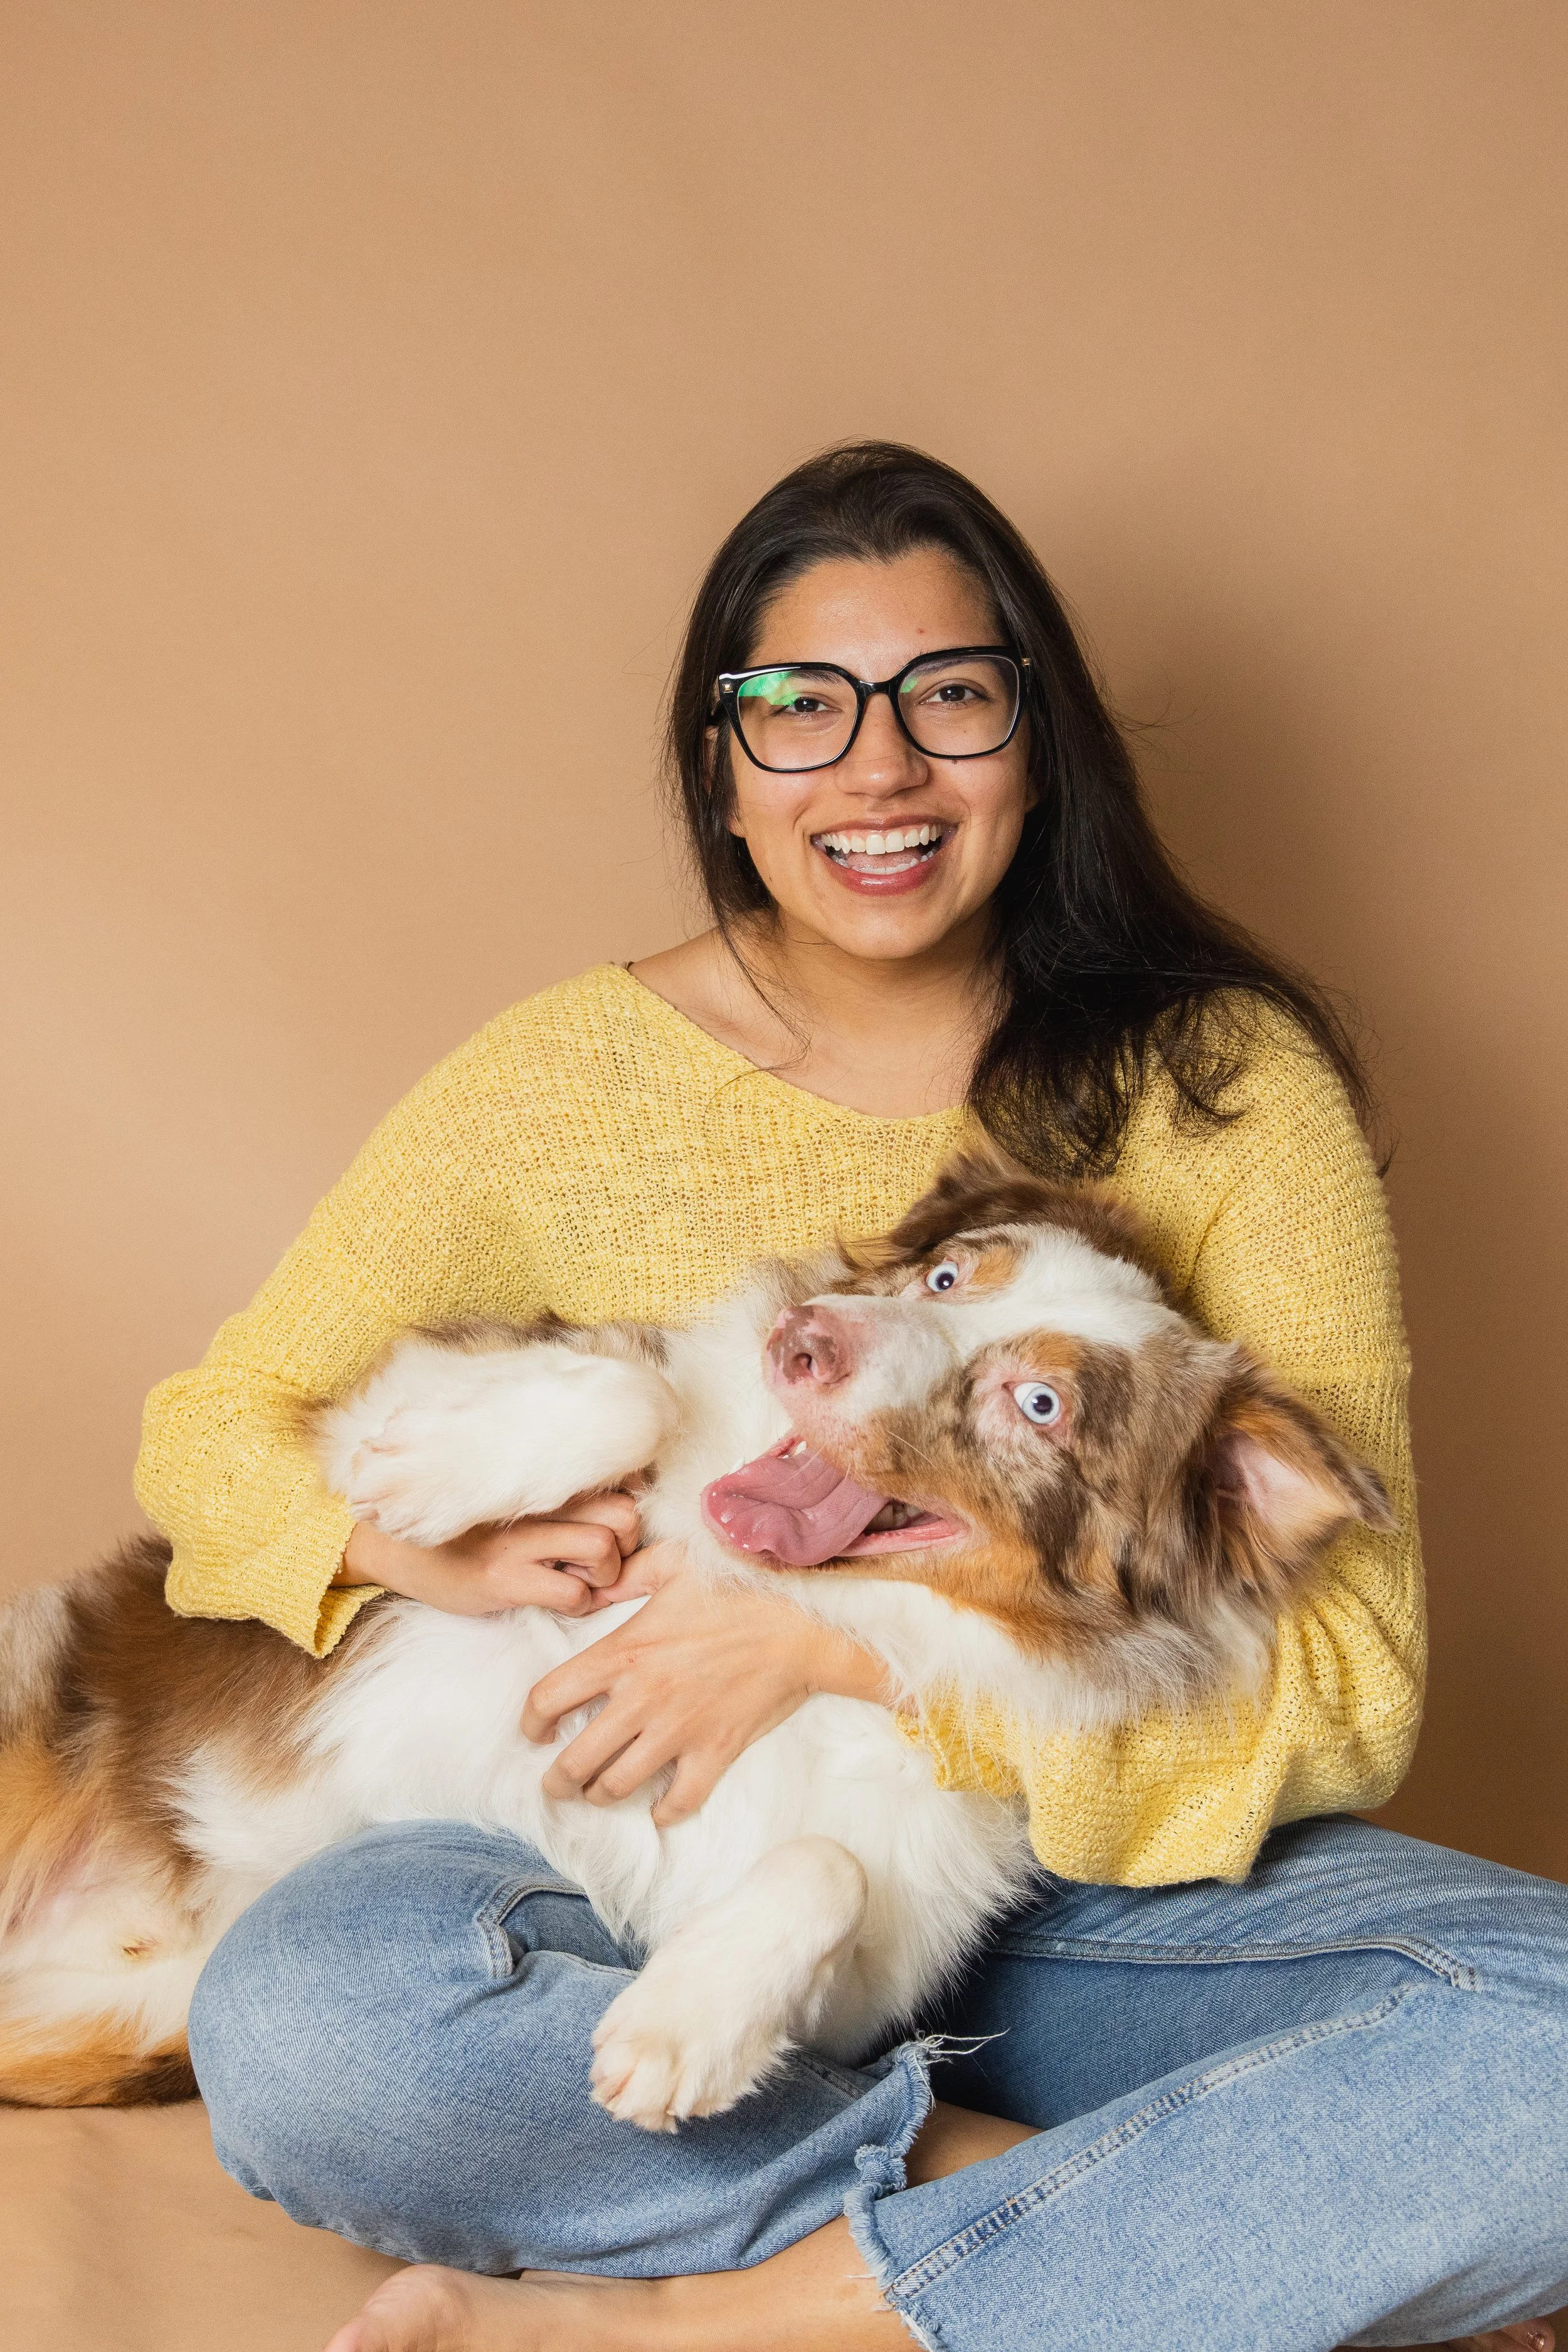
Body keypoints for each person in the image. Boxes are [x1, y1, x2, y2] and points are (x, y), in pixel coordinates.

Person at [139, 444, 1567, 2352]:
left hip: (1082, 1888)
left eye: (948, 698)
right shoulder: (560, 1076)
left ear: (1035, 745)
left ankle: (711, 2321)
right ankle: (1157, 2218)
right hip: (613, 1871)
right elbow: (212, 1429)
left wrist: (838, 1658)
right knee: (307, 2027)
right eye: (797, 708)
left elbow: (1353, 1683)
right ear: (719, 768)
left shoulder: (1226, 1087)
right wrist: (423, 1552)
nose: (877, 770)